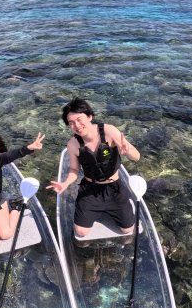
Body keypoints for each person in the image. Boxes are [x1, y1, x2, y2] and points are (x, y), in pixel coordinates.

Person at [46, 99, 140, 237]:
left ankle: (113, 209)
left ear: (89, 116)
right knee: (81, 232)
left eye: (79, 119)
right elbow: (74, 169)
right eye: (71, 123)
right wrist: (65, 183)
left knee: (127, 230)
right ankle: (96, 210)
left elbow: (137, 157)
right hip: (90, 189)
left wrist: (128, 151)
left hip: (114, 188)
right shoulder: (73, 144)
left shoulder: (109, 131)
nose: (76, 125)